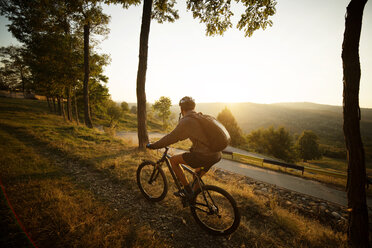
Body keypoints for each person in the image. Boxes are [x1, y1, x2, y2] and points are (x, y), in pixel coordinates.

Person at [147, 96, 221, 198]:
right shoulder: (201, 117)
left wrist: (154, 145)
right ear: (193, 108)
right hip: (216, 155)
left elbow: (171, 138)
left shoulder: (187, 121)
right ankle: (193, 198)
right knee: (196, 176)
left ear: (181, 109)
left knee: (173, 160)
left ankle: (186, 190)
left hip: (204, 156)